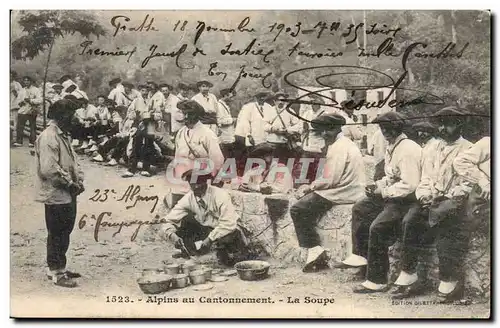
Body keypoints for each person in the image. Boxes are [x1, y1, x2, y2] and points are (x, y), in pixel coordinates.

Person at [391, 108, 472, 300]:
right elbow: (426, 178)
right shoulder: (433, 148)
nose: (443, 128)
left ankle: (450, 281)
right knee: (410, 221)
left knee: (447, 231)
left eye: (448, 124)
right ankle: (410, 275)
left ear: (459, 125)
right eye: (440, 124)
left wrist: (448, 198)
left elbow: (468, 183)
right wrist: (424, 195)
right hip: (431, 200)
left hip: (454, 201)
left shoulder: (469, 149)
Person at [340, 111, 422, 294]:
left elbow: (410, 184)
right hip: (393, 196)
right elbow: (392, 175)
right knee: (361, 208)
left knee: (378, 227)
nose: (385, 132)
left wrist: (384, 191)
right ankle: (362, 258)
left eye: (389, 128)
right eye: (383, 128)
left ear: (398, 128)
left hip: (408, 201)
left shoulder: (408, 149)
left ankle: (377, 280)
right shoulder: (391, 146)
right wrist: (377, 185)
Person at [290, 114, 366, 272]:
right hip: (347, 187)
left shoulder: (338, 147)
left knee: (298, 209)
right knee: (306, 201)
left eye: (327, 131)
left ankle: (314, 249)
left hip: (344, 191)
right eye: (322, 131)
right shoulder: (344, 143)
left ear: (336, 129)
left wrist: (310, 186)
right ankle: (315, 251)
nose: (324, 135)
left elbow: (331, 179)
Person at [35, 98, 85, 287]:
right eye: (71, 116)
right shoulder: (49, 137)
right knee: (57, 232)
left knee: (65, 230)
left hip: (67, 192)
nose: (74, 119)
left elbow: (72, 161)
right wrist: (70, 183)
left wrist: (78, 180)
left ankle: (58, 268)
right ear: (62, 117)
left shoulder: (61, 135)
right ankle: (56, 271)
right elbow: (49, 169)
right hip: (57, 193)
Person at [160, 170, 248, 266]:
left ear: (206, 181)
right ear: (189, 184)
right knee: (185, 221)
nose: (197, 187)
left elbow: (229, 223)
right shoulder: (188, 198)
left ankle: (231, 254)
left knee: (227, 242)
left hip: (227, 231)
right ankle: (195, 251)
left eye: (200, 183)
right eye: (193, 184)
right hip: (207, 230)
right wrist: (171, 235)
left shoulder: (220, 195)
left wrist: (210, 239)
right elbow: (169, 220)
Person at [170, 100, 224, 190]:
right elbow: (177, 155)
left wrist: (213, 181)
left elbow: (217, 159)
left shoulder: (207, 133)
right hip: (183, 178)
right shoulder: (181, 132)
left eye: (181, 112)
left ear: (190, 115)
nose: (178, 114)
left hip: (201, 179)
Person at [263, 92, 303, 163]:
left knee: (283, 164)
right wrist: (273, 129)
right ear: (274, 101)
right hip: (272, 143)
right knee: (272, 165)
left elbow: (298, 125)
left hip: (285, 143)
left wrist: (288, 130)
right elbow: (264, 125)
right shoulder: (269, 111)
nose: (281, 102)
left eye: (283, 100)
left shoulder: (289, 111)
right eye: (278, 100)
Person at [14, 76, 42, 147]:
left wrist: (31, 100)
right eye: (25, 81)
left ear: (31, 81)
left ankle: (32, 142)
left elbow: (40, 100)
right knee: (20, 126)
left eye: (28, 80)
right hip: (22, 110)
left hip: (31, 110)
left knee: (32, 126)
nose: (26, 82)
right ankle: (19, 141)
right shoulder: (22, 90)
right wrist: (22, 102)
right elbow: (18, 101)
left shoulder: (36, 90)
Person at [216, 88, 236, 160]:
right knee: (226, 157)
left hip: (228, 135)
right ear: (225, 95)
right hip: (224, 137)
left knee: (230, 157)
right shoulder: (219, 106)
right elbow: (220, 121)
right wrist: (232, 120)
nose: (232, 99)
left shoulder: (224, 105)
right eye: (231, 97)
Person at [10, 71, 23, 144]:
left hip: (14, 105)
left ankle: (14, 139)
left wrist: (15, 92)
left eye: (11, 76)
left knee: (15, 122)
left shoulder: (17, 84)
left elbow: (22, 94)